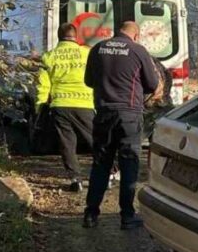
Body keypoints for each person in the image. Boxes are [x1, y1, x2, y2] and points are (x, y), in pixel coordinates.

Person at [82, 20, 160, 229]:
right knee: (129, 164)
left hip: (104, 113)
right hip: (129, 114)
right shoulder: (137, 50)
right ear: (136, 35)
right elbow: (152, 84)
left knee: (101, 164)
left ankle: (91, 214)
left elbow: (88, 81)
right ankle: (127, 215)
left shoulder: (98, 48)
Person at [36, 23, 94, 192]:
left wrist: (39, 107)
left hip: (60, 105)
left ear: (59, 36)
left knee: (67, 144)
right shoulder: (87, 54)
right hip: (85, 104)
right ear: (75, 36)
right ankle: (109, 172)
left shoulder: (49, 56)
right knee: (95, 141)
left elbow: (43, 86)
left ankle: (75, 179)